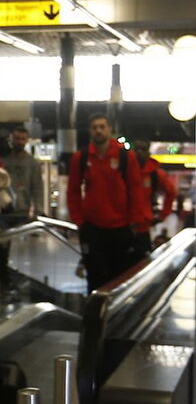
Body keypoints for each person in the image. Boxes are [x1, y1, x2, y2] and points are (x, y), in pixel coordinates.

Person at [67, 113, 147, 294]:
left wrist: (136, 223)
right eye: (95, 127)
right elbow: (72, 190)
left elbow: (135, 190)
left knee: (120, 275)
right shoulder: (81, 158)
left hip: (121, 227)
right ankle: (96, 316)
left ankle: (117, 315)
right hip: (93, 228)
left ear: (110, 129)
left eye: (102, 127)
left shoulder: (126, 157)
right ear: (90, 131)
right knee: (94, 276)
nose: (98, 131)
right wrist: (79, 220)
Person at [0, 126, 45, 290]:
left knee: (22, 248)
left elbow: (37, 187)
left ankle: (18, 278)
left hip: (23, 211)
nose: (19, 142)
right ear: (11, 139)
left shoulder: (33, 164)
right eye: (16, 139)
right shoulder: (3, 162)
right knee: (3, 248)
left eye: (22, 139)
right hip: (5, 211)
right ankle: (5, 278)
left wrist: (38, 210)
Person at [132, 139, 177, 254]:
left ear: (148, 153)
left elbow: (171, 192)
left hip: (142, 226)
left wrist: (162, 215)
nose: (139, 153)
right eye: (137, 149)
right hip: (120, 225)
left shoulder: (155, 174)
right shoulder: (123, 169)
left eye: (143, 149)